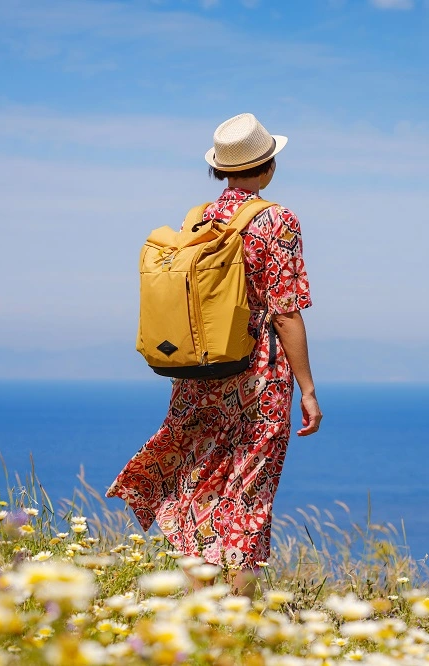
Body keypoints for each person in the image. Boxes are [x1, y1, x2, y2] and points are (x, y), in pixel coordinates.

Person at [106, 113, 322, 597]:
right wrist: (307, 389)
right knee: (249, 488)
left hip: (200, 371)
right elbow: (285, 312)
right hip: (258, 377)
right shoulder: (277, 220)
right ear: (267, 165)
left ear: (221, 170)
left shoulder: (198, 218)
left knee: (198, 477)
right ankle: (239, 610)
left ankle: (199, 597)